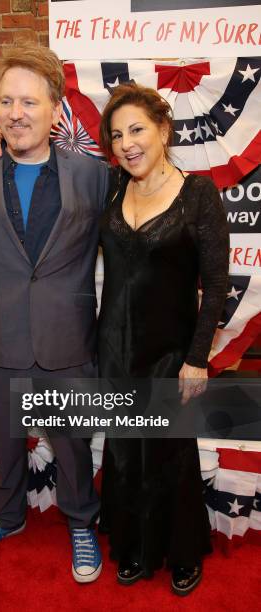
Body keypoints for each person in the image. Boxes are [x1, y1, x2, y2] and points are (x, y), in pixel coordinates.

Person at [0, 43, 109, 583]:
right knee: (4, 442)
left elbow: (132, 237)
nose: (16, 113)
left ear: (57, 110)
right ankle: (7, 518)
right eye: (6, 102)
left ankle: (81, 523)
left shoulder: (93, 176)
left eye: (29, 102)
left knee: (74, 447)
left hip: (67, 340)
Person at [97, 82, 229, 595]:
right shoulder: (111, 185)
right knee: (126, 451)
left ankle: (180, 552)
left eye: (137, 130)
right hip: (114, 347)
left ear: (163, 130)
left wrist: (197, 359)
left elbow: (216, 285)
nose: (127, 143)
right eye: (117, 135)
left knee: (170, 454)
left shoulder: (198, 194)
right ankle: (132, 546)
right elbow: (52, 167)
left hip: (171, 353)